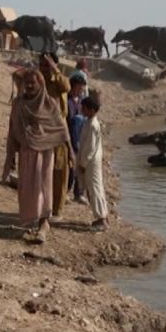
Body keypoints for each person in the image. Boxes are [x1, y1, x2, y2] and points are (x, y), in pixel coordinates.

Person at [7, 68, 70, 243]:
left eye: (32, 82)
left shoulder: (50, 103)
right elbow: (13, 128)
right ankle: (32, 221)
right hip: (27, 152)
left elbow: (61, 129)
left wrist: (69, 153)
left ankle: (44, 223)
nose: (29, 85)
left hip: (45, 153)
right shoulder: (18, 104)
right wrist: (11, 154)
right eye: (26, 82)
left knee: (43, 186)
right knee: (27, 188)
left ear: (40, 84)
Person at [38, 53, 71, 218]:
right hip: (41, 131)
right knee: (41, 171)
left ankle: (57, 209)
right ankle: (42, 208)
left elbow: (67, 87)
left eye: (47, 65)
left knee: (59, 170)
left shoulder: (59, 81)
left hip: (58, 130)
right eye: (42, 65)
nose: (44, 68)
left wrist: (54, 70)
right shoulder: (36, 81)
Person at [77, 96, 108, 231]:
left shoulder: (93, 124)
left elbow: (89, 147)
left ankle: (102, 219)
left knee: (94, 189)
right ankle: (102, 216)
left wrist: (83, 163)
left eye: (84, 108)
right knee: (96, 188)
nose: (82, 110)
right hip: (91, 160)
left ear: (91, 110)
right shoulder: (89, 122)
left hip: (90, 162)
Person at [67, 74, 88, 203]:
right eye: (79, 87)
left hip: (81, 137)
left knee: (81, 167)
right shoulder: (66, 99)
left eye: (82, 87)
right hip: (68, 137)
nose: (81, 89)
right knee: (70, 168)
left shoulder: (82, 101)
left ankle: (79, 193)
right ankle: (65, 191)